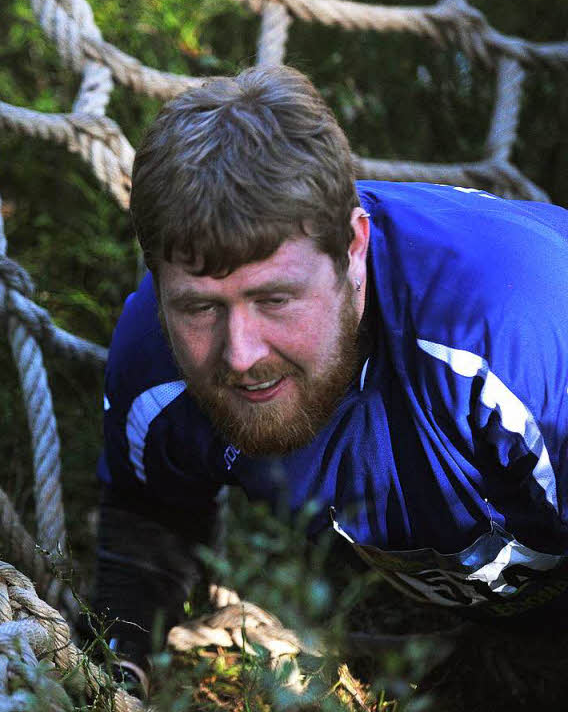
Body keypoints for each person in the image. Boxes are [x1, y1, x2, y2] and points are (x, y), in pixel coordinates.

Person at [89, 64, 568, 688]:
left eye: (276, 300)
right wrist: (111, 677)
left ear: (354, 250)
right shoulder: (157, 360)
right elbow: (147, 520)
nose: (240, 354)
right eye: (201, 307)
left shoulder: (512, 340)